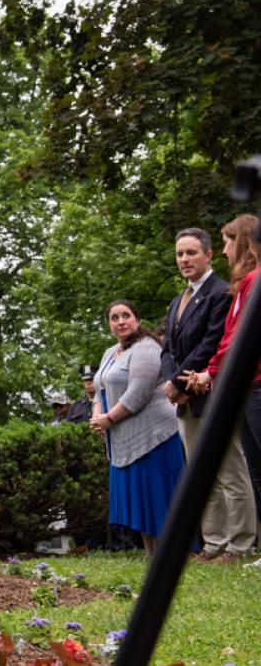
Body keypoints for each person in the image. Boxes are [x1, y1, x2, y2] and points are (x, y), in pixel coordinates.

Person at [160, 227, 251, 561]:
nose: (184, 259)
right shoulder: (177, 301)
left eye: (191, 252)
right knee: (200, 473)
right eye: (180, 254)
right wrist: (173, 382)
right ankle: (214, 542)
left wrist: (180, 382)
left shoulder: (221, 292)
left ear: (209, 254)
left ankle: (240, 542)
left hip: (212, 392)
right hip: (185, 399)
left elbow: (212, 342)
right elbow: (167, 347)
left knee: (229, 469)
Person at [186, 214, 261, 558]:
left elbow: (235, 338)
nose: (225, 250)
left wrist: (209, 372)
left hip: (256, 385)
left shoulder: (255, 281)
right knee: (256, 470)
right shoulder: (244, 283)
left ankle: (245, 542)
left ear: (243, 242)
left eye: (229, 242)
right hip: (244, 387)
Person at [90, 300, 186, 558]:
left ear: (137, 319)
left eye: (126, 316)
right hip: (124, 439)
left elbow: (138, 392)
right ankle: (152, 553)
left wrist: (109, 419)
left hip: (154, 434)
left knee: (158, 497)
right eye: (114, 317)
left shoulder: (147, 347)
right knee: (141, 502)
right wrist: (96, 414)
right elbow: (99, 388)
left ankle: (172, 553)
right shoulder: (111, 352)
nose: (121, 321)